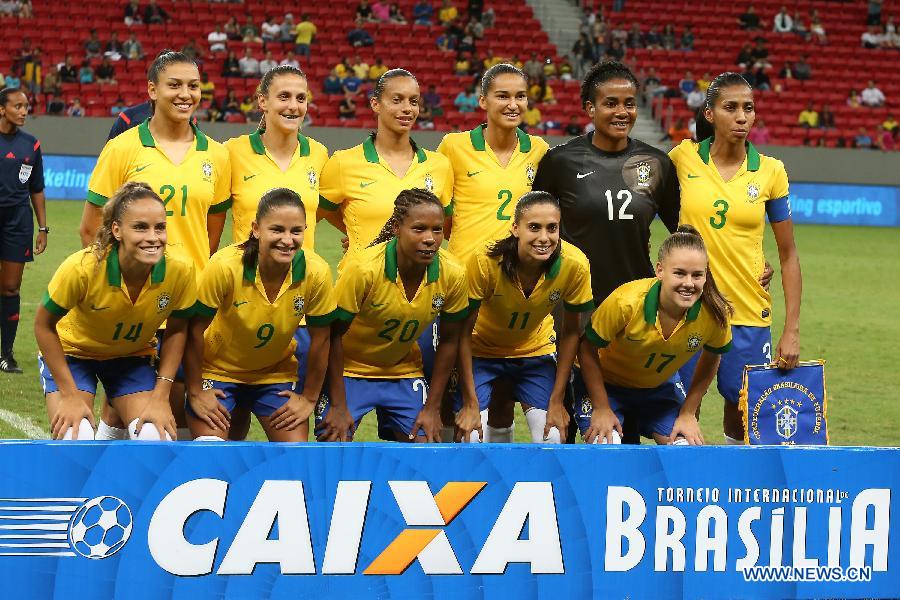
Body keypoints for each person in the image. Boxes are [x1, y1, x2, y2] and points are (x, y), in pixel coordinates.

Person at [78, 51, 231, 440]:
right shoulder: (124, 148)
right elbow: (90, 228)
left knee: (174, 405)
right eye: (174, 85)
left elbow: (211, 236)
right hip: (133, 300)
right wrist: (118, 289)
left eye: (193, 86)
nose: (185, 94)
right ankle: (106, 479)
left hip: (187, 303)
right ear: (152, 90)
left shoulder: (217, 154)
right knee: (123, 399)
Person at [532, 61, 682, 443]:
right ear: (590, 108)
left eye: (629, 103)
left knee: (624, 418)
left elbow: (684, 232)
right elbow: (537, 230)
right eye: (611, 103)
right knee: (566, 424)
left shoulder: (656, 164)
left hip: (636, 308)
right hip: (574, 309)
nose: (622, 112)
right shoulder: (560, 162)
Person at [670, 71, 802, 444]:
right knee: (682, 411)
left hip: (746, 310)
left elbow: (789, 254)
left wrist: (791, 329)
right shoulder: (683, 158)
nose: (742, 116)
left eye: (748, 108)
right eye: (731, 108)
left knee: (743, 411)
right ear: (710, 114)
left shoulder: (771, 171)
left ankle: (733, 488)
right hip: (688, 309)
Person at [35, 182, 196, 440]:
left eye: (160, 227)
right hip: (73, 354)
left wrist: (160, 394)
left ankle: (116, 408)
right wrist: (68, 394)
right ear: (117, 230)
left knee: (154, 436)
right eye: (140, 227)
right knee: (77, 436)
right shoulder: (82, 268)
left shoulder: (180, 271)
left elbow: (178, 330)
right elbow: (43, 325)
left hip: (131, 358)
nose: (153, 237)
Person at [317, 189, 469, 442]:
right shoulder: (363, 270)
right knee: (334, 442)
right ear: (397, 228)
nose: (430, 239)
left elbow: (450, 341)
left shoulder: (452, 273)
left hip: (403, 372)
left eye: (437, 230)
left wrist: (432, 408)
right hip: (349, 372)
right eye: (419, 229)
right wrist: (338, 405)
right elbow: (331, 336)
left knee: (428, 445)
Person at [184, 188, 335, 442]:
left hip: (274, 374)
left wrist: (309, 398)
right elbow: (193, 331)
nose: (287, 240)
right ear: (256, 229)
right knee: (210, 450)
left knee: (294, 456)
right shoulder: (225, 266)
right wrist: (196, 391)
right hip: (218, 371)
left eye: (296, 231)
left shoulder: (316, 272)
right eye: (277, 230)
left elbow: (322, 339)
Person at [456, 192, 594, 443]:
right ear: (515, 229)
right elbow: (461, 333)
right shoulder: (483, 262)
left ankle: (544, 483)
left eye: (552, 228)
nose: (544, 237)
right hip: (481, 351)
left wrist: (557, 400)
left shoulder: (574, 264)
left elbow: (572, 333)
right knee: (471, 436)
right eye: (534, 228)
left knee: (552, 435)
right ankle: (485, 482)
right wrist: (469, 403)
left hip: (535, 351)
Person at [576, 225, 733, 445]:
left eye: (697, 275)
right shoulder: (625, 302)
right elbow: (586, 347)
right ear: (660, 270)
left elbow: (712, 357)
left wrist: (688, 412)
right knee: (605, 445)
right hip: (606, 386)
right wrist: (601, 406)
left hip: (659, 390)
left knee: (685, 447)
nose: (689, 283)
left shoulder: (714, 315)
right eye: (679, 273)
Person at [317, 69, 452, 267]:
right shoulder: (343, 163)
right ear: (375, 104)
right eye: (397, 100)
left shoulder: (439, 165)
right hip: (360, 289)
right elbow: (318, 213)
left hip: (420, 287)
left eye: (413, 101)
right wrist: (356, 235)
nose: (407, 108)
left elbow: (446, 227)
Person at [437, 64, 549, 263]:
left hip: (516, 276)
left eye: (520, 96)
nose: (513, 104)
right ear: (483, 101)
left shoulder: (538, 149)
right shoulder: (453, 146)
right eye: (503, 96)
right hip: (464, 274)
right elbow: (441, 216)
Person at [225, 66, 328, 253]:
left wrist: (354, 239)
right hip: (247, 277)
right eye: (284, 96)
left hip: (301, 278)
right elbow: (208, 213)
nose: (293, 106)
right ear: (263, 101)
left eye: (300, 98)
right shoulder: (232, 152)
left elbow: (334, 208)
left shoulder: (319, 154)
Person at [0, 88, 45, 373]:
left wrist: (43, 227)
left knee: (11, 287)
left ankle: (6, 354)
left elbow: (37, 188)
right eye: (17, 106)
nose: (23, 111)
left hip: (17, 222)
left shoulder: (32, 144)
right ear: (1, 109)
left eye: (26, 106)